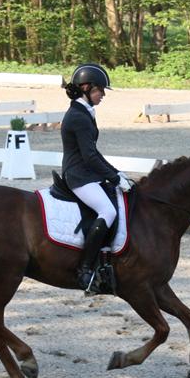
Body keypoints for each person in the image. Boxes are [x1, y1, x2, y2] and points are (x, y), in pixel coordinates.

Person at [61, 63, 132, 294]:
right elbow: (89, 156)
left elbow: (94, 154)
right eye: (99, 90)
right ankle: (85, 269)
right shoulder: (78, 117)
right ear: (85, 88)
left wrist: (116, 174)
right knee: (108, 211)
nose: (102, 95)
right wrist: (113, 177)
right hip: (79, 176)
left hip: (87, 172)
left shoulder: (83, 112)